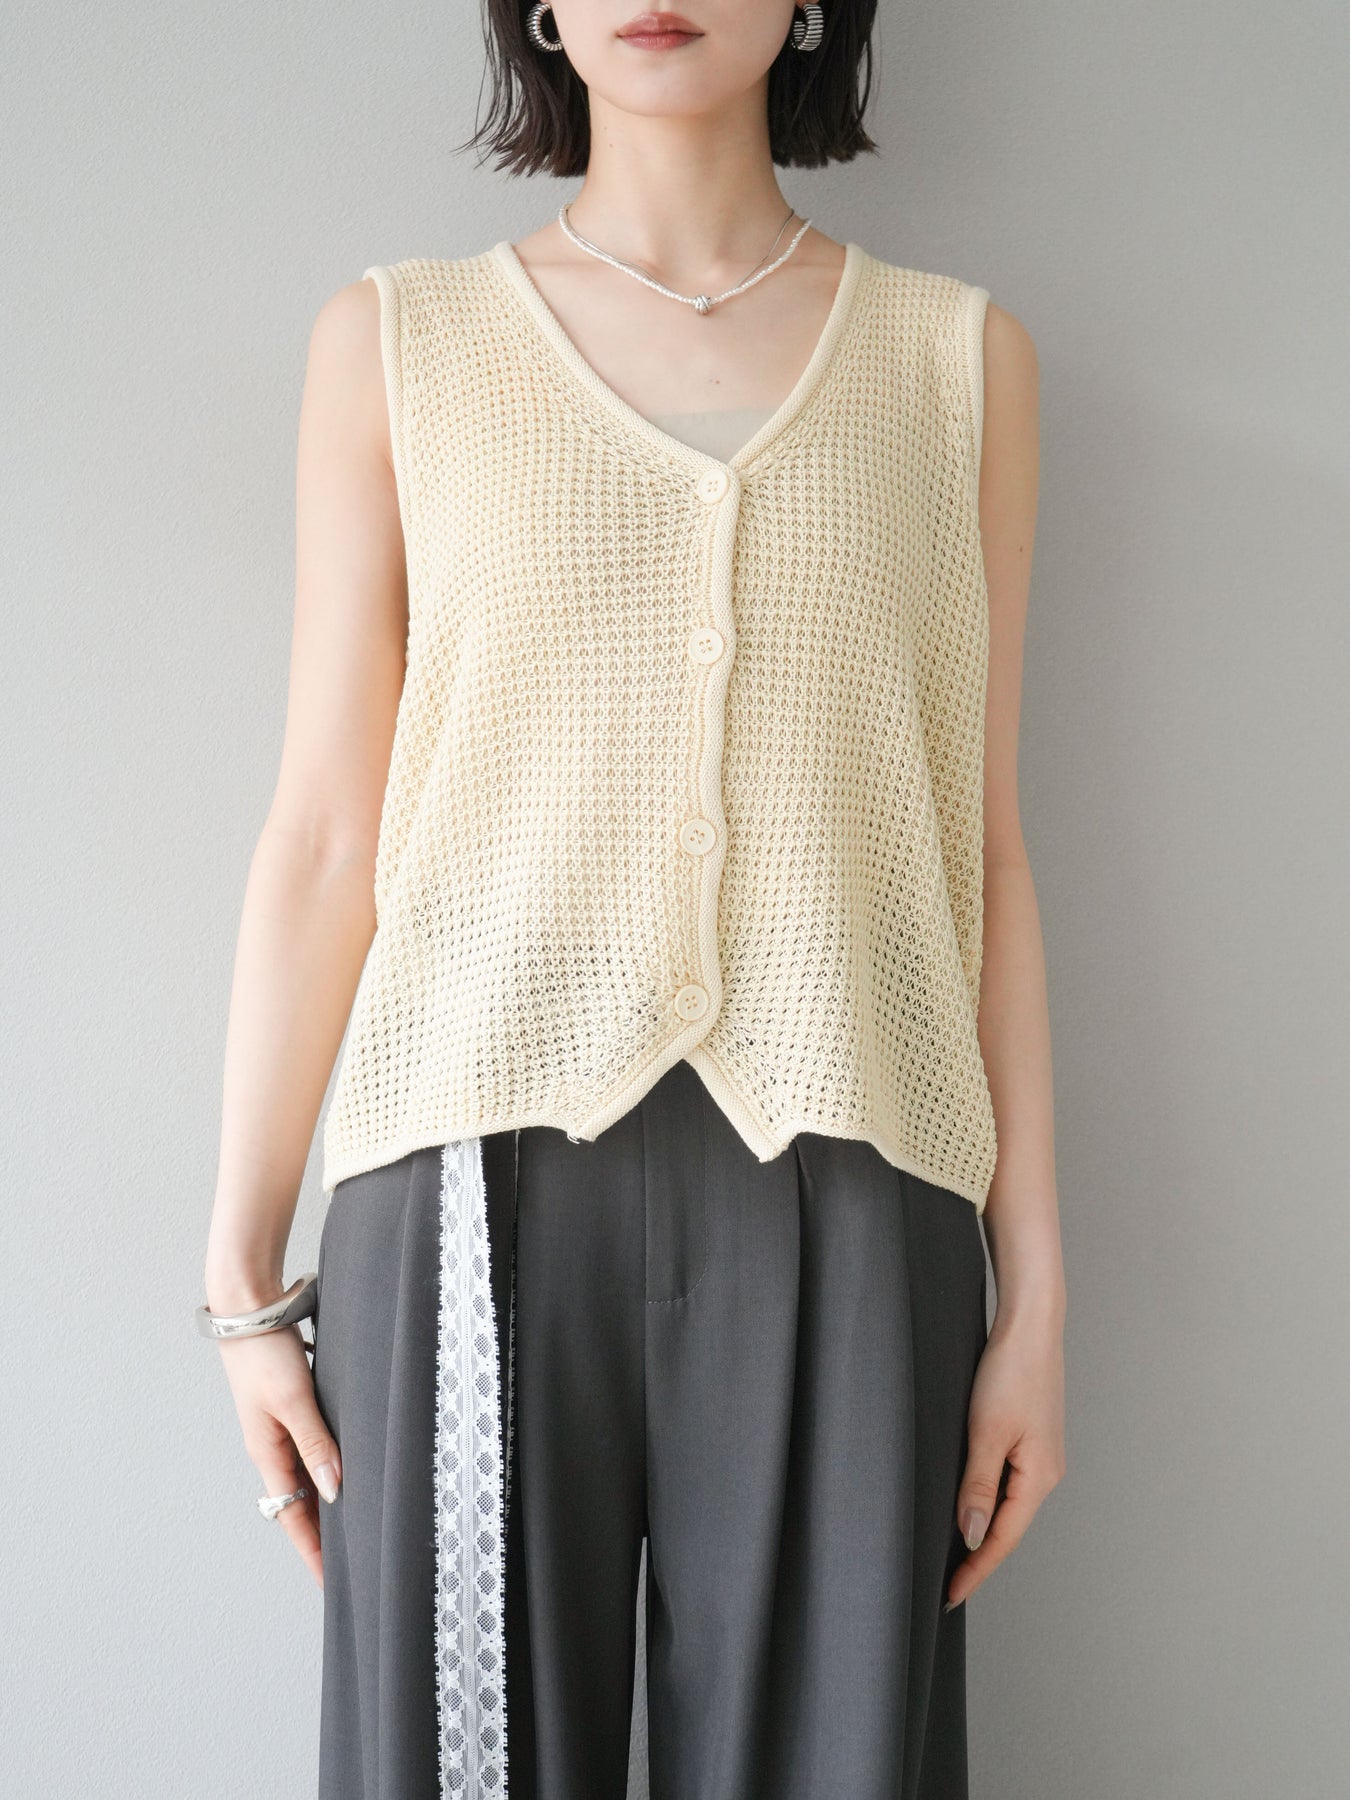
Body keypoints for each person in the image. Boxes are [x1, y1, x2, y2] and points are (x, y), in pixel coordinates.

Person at [200, 3, 1067, 1796]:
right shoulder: (399, 343)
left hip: (854, 1170)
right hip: (470, 1172)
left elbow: (975, 849)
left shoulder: (955, 361)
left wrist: (1037, 1296)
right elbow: (326, 833)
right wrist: (241, 1277)